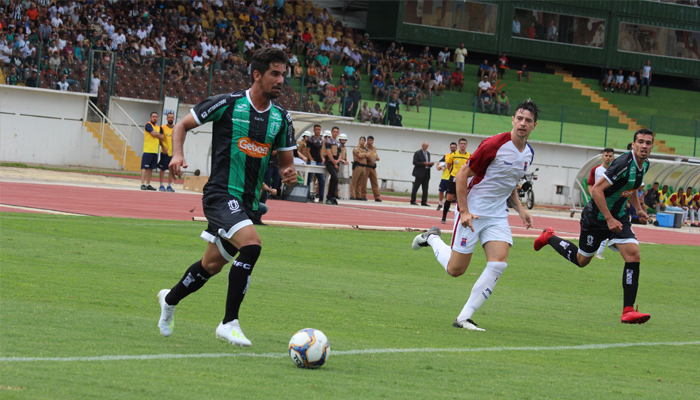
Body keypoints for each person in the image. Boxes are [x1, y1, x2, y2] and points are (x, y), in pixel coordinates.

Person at [157, 48, 297, 347]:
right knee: (252, 245)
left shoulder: (281, 118)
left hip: (246, 203)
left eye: (283, 74)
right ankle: (228, 322)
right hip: (221, 194)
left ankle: (169, 299)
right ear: (257, 74)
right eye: (275, 73)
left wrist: (288, 174)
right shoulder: (227, 103)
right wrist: (177, 153)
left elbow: (286, 162)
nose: (281, 80)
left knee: (211, 266)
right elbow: (182, 125)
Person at [412, 100, 538, 331]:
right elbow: (462, 176)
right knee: (456, 270)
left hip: (498, 215)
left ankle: (463, 318)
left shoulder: (528, 153)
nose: (522, 123)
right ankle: (431, 238)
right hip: (474, 211)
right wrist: (464, 211)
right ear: (513, 120)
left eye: (528, 120)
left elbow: (509, 181)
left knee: (499, 262)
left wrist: (520, 209)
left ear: (534, 126)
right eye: (519, 118)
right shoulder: (493, 145)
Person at [534, 128, 656, 325]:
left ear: (652, 146)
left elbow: (631, 187)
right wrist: (608, 219)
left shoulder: (645, 164)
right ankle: (549, 237)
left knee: (633, 254)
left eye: (648, 143)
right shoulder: (623, 164)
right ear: (633, 145)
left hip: (619, 216)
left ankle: (628, 310)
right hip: (597, 217)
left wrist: (639, 208)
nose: (644, 146)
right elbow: (597, 190)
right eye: (640, 142)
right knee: (582, 260)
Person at [586, 148, 615, 259]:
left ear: (613, 158)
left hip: (610, 203)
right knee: (593, 226)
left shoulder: (615, 170)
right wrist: (594, 196)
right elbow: (590, 184)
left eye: (610, 156)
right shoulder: (596, 169)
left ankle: (599, 252)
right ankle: (590, 248)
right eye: (606, 155)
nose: (608, 158)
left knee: (606, 226)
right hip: (597, 203)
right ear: (602, 156)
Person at [441, 138, 471, 225]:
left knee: (463, 198)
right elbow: (449, 165)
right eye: (461, 143)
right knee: (449, 198)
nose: (463, 145)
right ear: (459, 145)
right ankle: (444, 217)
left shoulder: (469, 155)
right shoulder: (453, 155)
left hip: (464, 179)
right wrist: (454, 173)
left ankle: (463, 217)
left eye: (464, 143)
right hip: (453, 178)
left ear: (466, 145)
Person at [141, 112, 164, 191]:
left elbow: (162, 137)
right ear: (150, 118)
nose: (155, 118)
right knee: (145, 167)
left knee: (151, 168)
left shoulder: (158, 127)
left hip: (155, 151)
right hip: (148, 150)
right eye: (153, 117)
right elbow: (154, 134)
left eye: (156, 117)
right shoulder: (148, 125)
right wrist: (158, 135)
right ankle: (142, 183)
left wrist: (157, 135)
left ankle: (148, 184)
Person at [305, 124, 326, 203]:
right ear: (314, 130)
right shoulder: (310, 139)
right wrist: (311, 160)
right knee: (309, 179)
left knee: (322, 179)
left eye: (319, 129)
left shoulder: (321, 139)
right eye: (316, 129)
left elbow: (320, 151)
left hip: (318, 161)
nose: (318, 131)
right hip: (312, 161)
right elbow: (307, 151)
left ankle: (321, 197)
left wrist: (322, 159)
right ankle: (307, 196)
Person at [158, 112, 176, 192]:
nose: (170, 119)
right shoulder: (162, 127)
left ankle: (169, 185)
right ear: (166, 118)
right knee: (162, 169)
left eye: (172, 117)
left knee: (171, 170)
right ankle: (161, 185)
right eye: (169, 117)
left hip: (173, 152)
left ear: (174, 119)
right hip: (165, 152)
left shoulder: (176, 128)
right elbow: (159, 139)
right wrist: (163, 147)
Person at [410, 142, 433, 206]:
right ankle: (413, 200)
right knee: (416, 187)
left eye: (426, 146)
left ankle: (424, 201)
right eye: (424, 145)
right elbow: (414, 162)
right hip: (419, 173)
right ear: (422, 146)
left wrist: (430, 164)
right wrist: (423, 163)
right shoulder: (417, 153)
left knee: (425, 188)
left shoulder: (428, 153)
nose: (425, 147)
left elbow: (428, 162)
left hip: (426, 173)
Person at [436, 142, 458, 211]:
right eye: (452, 147)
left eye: (454, 147)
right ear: (450, 148)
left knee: (450, 193)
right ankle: (440, 203)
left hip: (453, 177)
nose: (453, 148)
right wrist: (438, 166)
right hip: (445, 177)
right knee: (441, 190)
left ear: (456, 148)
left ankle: (446, 205)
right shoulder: (446, 155)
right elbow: (439, 162)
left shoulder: (458, 156)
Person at [324, 127, 341, 205]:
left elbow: (340, 153)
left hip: (336, 162)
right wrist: (334, 163)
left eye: (337, 132)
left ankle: (332, 197)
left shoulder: (338, 142)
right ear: (331, 132)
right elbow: (328, 152)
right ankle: (329, 197)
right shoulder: (329, 141)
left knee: (334, 180)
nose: (335, 133)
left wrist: (337, 161)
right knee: (335, 178)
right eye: (334, 131)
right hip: (330, 162)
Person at [363, 136, 381, 202]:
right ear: (367, 140)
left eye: (372, 140)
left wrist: (377, 158)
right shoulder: (365, 147)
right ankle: (363, 195)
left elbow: (375, 155)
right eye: (370, 140)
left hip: (373, 167)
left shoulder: (374, 148)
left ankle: (377, 197)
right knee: (364, 182)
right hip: (367, 166)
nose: (371, 142)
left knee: (375, 182)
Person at [350, 136, 368, 200]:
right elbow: (360, 155)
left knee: (360, 182)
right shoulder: (356, 148)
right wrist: (365, 154)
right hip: (358, 166)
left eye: (364, 140)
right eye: (362, 140)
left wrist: (365, 153)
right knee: (354, 181)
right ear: (359, 141)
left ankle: (358, 195)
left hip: (364, 167)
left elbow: (370, 156)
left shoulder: (365, 149)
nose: (363, 142)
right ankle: (351, 194)